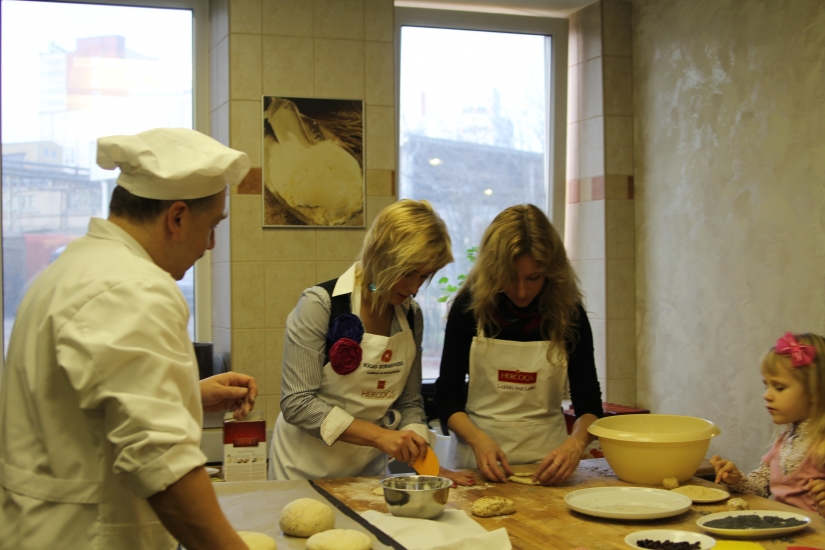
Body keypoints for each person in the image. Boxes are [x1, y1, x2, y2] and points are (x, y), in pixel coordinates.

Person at [0, 128, 258, 550]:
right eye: (211, 226)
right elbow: (164, 466)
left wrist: (189, 395)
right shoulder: (134, 287)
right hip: (88, 537)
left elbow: (81, 407)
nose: (210, 244)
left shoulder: (69, 270)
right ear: (176, 217)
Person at [269, 199, 473, 485]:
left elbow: (409, 401)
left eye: (425, 275)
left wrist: (426, 462)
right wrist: (380, 437)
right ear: (382, 255)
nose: (415, 288)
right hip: (303, 470)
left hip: (366, 475)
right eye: (409, 272)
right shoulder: (321, 305)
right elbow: (297, 403)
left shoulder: (411, 315)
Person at [436, 203, 604, 486]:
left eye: (534, 278)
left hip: (548, 464)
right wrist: (478, 441)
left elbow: (589, 403)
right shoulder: (469, 308)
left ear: (551, 270)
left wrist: (576, 444)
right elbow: (447, 397)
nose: (522, 291)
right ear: (493, 269)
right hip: (476, 464)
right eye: (511, 278)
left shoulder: (568, 313)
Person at [711, 332, 825, 515]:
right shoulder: (785, 441)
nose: (767, 395)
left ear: (814, 391)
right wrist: (736, 479)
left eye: (779, 388)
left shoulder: (821, 447)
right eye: (767, 386)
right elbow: (759, 488)